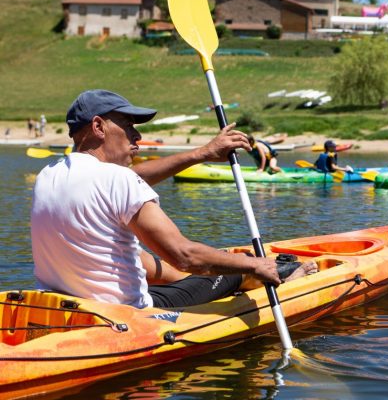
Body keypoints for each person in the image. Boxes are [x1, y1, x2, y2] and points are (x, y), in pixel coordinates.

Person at [30, 89, 316, 310]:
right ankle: (281, 281)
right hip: (129, 316)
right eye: (128, 125)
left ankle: (200, 283)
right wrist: (253, 265)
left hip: (70, 308)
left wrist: (201, 154)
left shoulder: (49, 176)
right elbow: (184, 256)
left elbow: (128, 180)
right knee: (238, 266)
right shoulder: (118, 181)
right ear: (98, 126)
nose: (137, 135)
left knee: (146, 260)